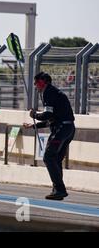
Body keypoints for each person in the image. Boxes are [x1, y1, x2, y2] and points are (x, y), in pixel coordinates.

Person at [23, 72, 75, 200]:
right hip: (69, 129)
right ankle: (57, 190)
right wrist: (34, 125)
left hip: (61, 130)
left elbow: (47, 115)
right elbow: (51, 118)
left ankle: (60, 189)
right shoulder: (53, 92)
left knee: (48, 157)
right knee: (56, 160)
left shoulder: (48, 92)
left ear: (43, 82)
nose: (35, 86)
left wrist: (34, 115)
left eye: (36, 83)